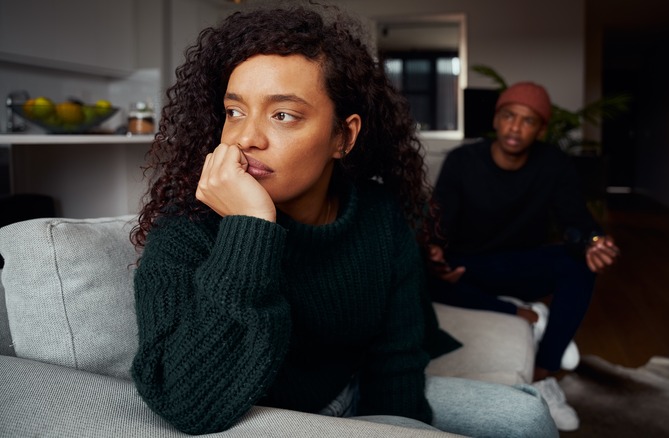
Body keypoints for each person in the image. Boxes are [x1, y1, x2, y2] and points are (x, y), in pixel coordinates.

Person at [129, 4, 557, 437]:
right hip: (267, 415)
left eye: (283, 115)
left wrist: (399, 427)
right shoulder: (186, 226)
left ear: (343, 136)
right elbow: (187, 403)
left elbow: (397, 354)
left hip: (355, 391)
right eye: (235, 111)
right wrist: (249, 229)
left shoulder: (379, 215)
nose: (245, 138)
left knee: (526, 417)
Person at [428, 81, 620, 431]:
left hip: (522, 262)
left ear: (541, 129)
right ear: (497, 120)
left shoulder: (553, 164)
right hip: (470, 264)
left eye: (528, 121)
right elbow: (440, 222)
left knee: (577, 264)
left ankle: (543, 374)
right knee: (419, 273)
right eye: (509, 116)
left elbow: (576, 222)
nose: (516, 127)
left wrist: (594, 241)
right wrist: (435, 253)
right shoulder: (462, 161)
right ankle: (520, 312)